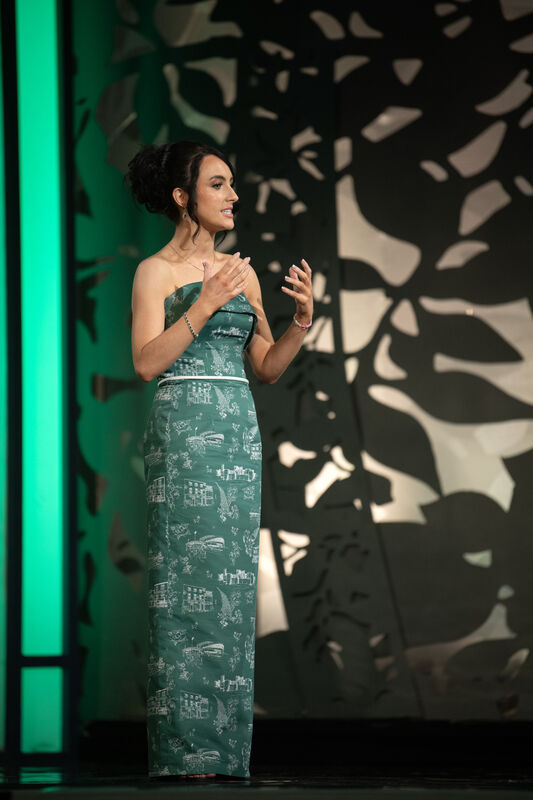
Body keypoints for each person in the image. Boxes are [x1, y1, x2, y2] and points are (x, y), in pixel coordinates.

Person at [127, 140, 313, 781]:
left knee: (230, 591)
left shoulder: (241, 271)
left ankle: (225, 755)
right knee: (184, 589)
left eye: (232, 183)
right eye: (218, 184)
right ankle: (181, 754)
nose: (233, 195)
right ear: (182, 197)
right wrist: (204, 302)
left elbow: (265, 367)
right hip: (183, 429)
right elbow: (145, 362)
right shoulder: (154, 272)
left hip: (235, 431)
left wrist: (300, 322)